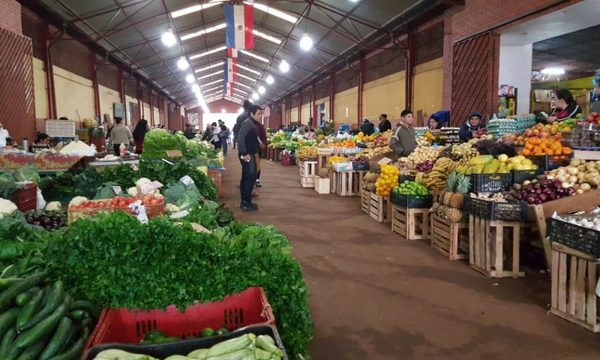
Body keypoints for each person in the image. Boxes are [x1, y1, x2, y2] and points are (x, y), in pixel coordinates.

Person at [236, 105, 263, 211]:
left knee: (248, 176)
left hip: (250, 153)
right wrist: (244, 153)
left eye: (261, 114)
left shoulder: (253, 123)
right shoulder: (248, 123)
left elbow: (254, 138)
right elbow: (240, 138)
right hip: (247, 154)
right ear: (252, 114)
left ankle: (246, 201)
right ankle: (245, 202)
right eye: (258, 114)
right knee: (249, 177)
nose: (260, 116)